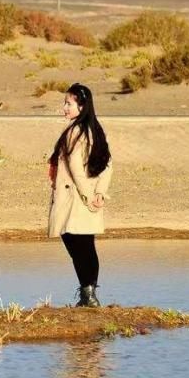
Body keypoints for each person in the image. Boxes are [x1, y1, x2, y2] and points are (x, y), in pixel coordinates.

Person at [47, 83, 113, 307]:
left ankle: (88, 295)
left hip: (76, 198)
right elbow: (108, 165)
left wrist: (89, 196)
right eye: (65, 103)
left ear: (81, 106)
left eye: (69, 103)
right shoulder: (95, 129)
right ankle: (89, 295)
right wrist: (100, 193)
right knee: (86, 246)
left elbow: (76, 168)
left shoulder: (76, 132)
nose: (64, 107)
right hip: (89, 196)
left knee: (77, 244)